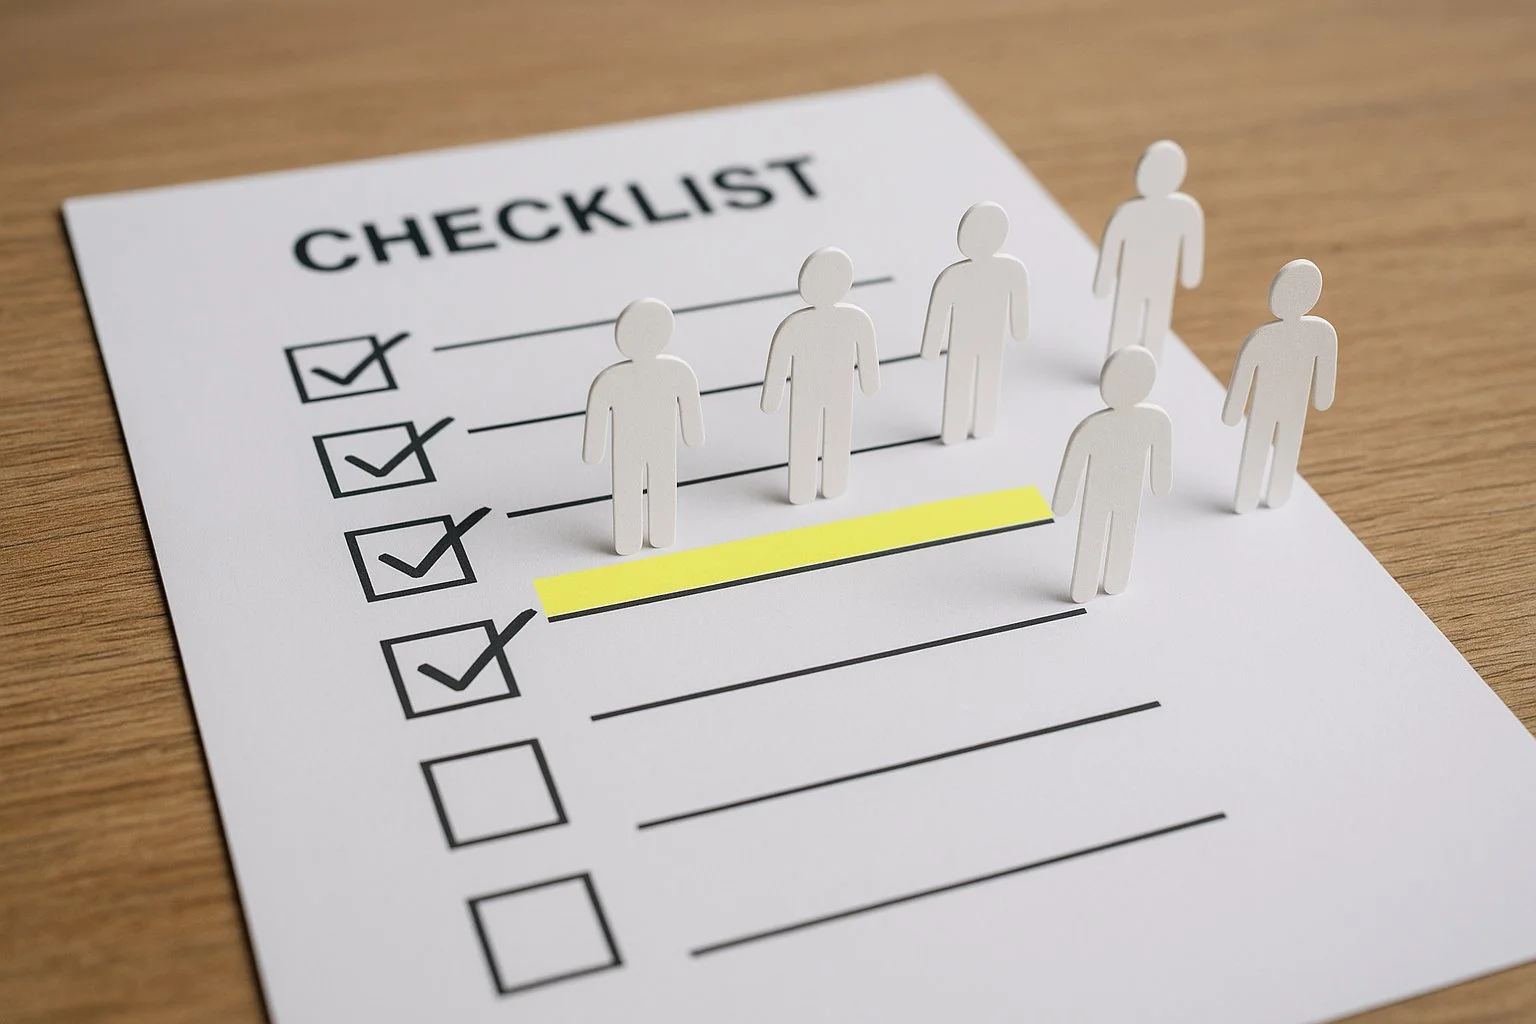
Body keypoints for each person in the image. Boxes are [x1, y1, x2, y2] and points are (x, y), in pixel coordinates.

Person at [582, 298, 705, 554]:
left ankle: (658, 533)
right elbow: (598, 409)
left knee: (660, 483)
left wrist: (693, 432)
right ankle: (634, 538)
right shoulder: (615, 379)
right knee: (631, 486)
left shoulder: (675, 371)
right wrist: (593, 449)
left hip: (658, 443)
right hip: (630, 446)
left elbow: (689, 400)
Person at [1052, 346, 1172, 603]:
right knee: (1102, 532)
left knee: (1119, 532)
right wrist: (1064, 499)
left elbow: (1160, 453)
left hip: (1121, 494)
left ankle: (1111, 580)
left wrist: (1063, 501)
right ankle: (1093, 582)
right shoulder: (1144, 421)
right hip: (1107, 493)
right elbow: (1076, 459)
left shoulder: (1151, 420)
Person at [761, 247, 880, 503]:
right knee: (808, 434)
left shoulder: (852, 320)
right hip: (811, 392)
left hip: (837, 391)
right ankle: (809, 487)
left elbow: (867, 353)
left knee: (834, 432)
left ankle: (830, 483)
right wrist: (771, 396)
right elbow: (780, 359)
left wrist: (870, 381)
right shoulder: (799, 325)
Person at [1221, 259, 1337, 513]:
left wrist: (1323, 396)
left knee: (1286, 444)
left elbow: (1326, 367)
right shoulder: (1265, 338)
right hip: (1267, 403)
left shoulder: (1321, 333)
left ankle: (1276, 492)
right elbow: (1245, 371)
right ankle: (1250, 495)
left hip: (1293, 404)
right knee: (1261, 443)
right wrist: (1234, 408)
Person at [920, 201, 1030, 444]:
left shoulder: (1010, 269)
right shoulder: (956, 276)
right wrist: (931, 346)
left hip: (990, 339)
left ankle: (982, 424)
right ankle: (958, 429)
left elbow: (1019, 302)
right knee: (963, 379)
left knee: (988, 377)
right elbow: (939, 310)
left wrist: (1019, 328)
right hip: (965, 340)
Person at [1093, 140, 1204, 363]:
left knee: (1156, 321)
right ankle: (1117, 365)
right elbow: (1114, 242)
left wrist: (1190, 273)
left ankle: (1149, 364)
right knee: (1127, 319)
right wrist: (1103, 280)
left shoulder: (1184, 210)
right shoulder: (1131, 212)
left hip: (1162, 279)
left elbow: (1193, 240)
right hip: (1133, 278)